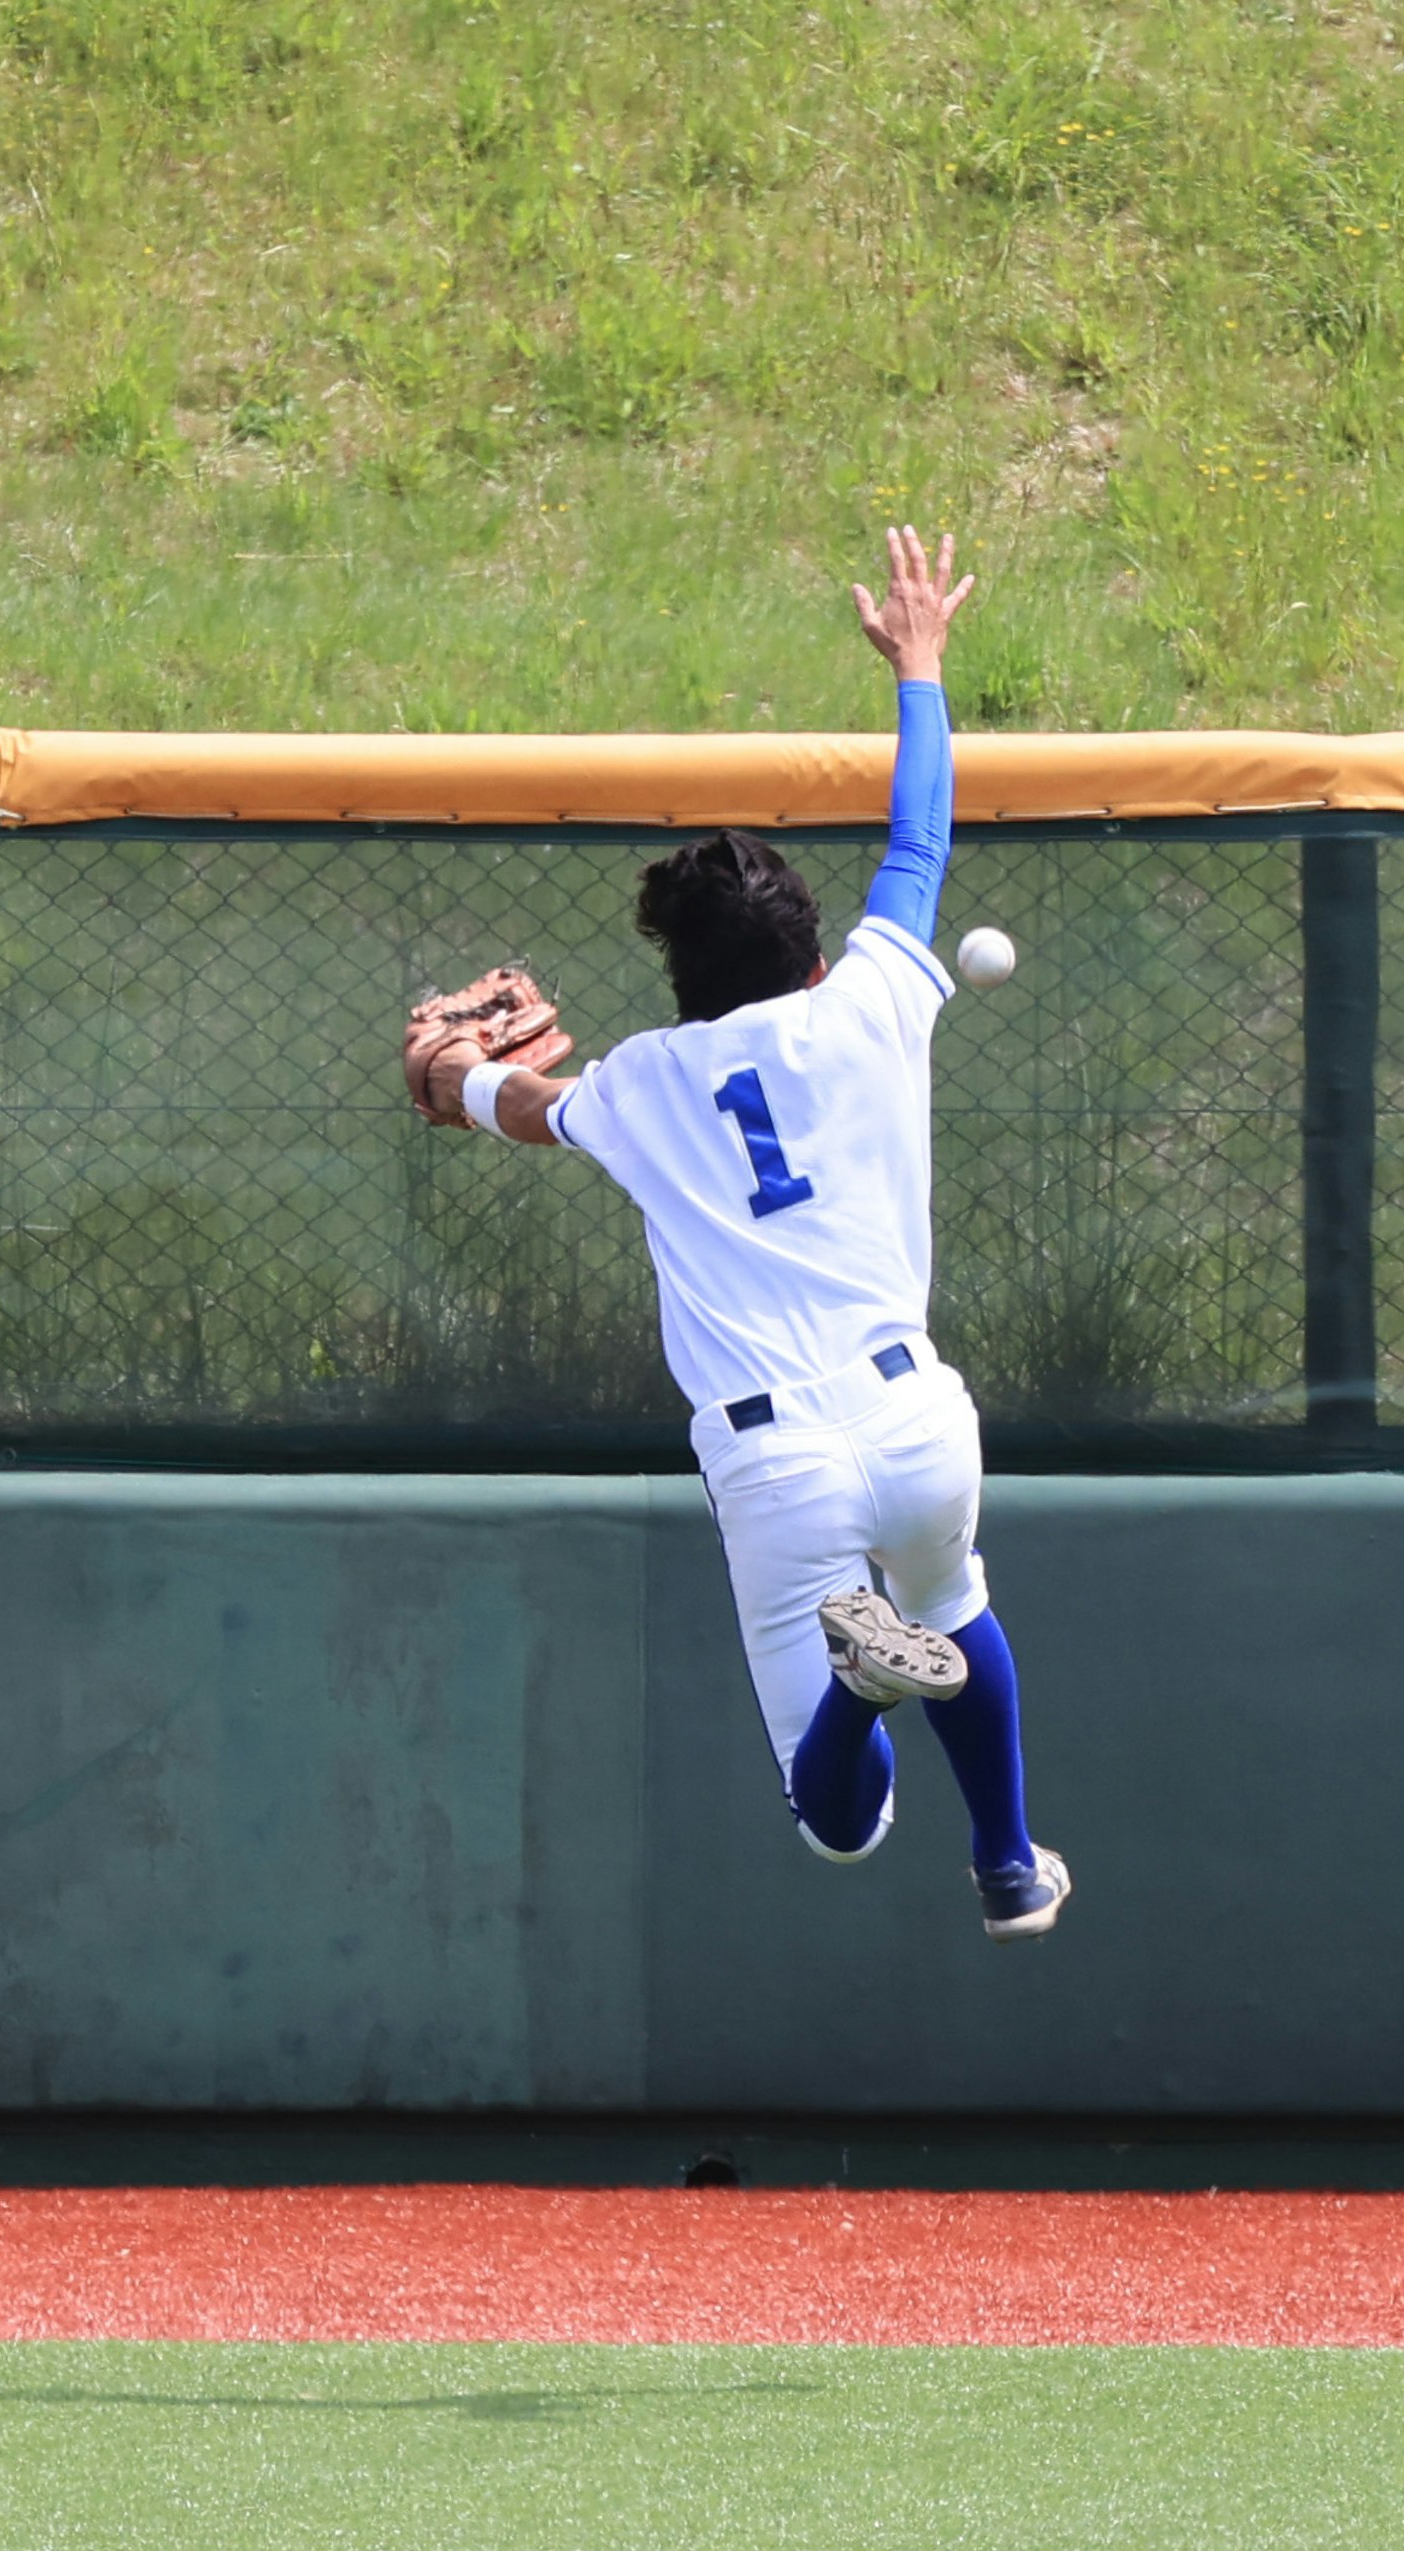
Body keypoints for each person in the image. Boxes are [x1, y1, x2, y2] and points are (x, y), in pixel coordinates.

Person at [414, 527, 1064, 1941]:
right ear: (811, 955)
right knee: (955, 1597)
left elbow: (492, 1102)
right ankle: (1011, 1866)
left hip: (772, 1462)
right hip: (912, 1417)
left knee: (839, 1819)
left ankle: (863, 1684)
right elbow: (921, 839)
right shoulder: (877, 998)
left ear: (681, 980)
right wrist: (921, 666)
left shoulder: (639, 1081)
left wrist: (446, 1072)